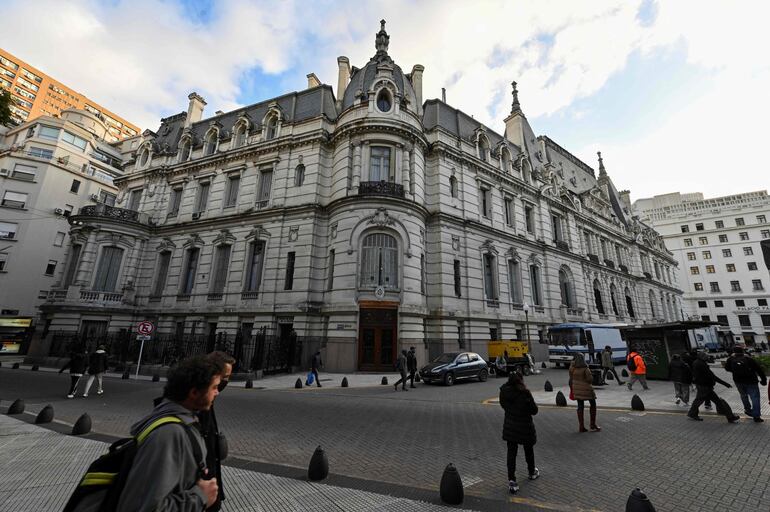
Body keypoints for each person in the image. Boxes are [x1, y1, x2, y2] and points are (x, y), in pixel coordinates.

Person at [115, 355, 220, 511]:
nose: (217, 393)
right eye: (214, 387)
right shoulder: (168, 435)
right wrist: (200, 497)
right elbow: (145, 508)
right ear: (194, 392)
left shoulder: (182, 422)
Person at [199, 351, 234, 511]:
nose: (225, 383)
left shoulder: (208, 402)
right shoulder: (195, 409)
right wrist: (198, 496)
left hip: (209, 491)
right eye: (224, 378)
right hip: (200, 497)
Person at [499, 371, 539, 495]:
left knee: (511, 453)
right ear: (521, 380)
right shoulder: (525, 393)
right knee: (528, 450)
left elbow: (503, 405)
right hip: (524, 426)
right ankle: (531, 471)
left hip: (510, 426)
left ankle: (512, 479)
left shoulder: (504, 392)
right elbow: (534, 410)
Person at [687, 351, 739, 423]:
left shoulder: (697, 362)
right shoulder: (701, 364)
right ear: (702, 357)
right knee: (700, 401)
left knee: (716, 401)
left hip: (703, 386)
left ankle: (730, 417)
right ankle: (730, 417)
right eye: (706, 356)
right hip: (704, 386)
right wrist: (725, 384)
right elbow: (712, 376)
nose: (707, 357)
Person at [725, 346, 767, 423]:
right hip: (751, 382)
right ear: (743, 351)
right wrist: (763, 380)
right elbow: (759, 370)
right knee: (755, 398)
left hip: (738, 381)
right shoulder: (749, 359)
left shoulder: (731, 359)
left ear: (734, 352)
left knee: (743, 395)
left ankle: (747, 410)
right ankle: (756, 416)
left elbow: (727, 368)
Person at [569, 353, 601, 433]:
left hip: (576, 389)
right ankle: (592, 425)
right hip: (587, 389)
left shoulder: (572, 368)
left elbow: (571, 378)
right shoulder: (585, 369)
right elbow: (590, 380)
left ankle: (581, 426)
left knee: (580, 406)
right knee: (593, 404)